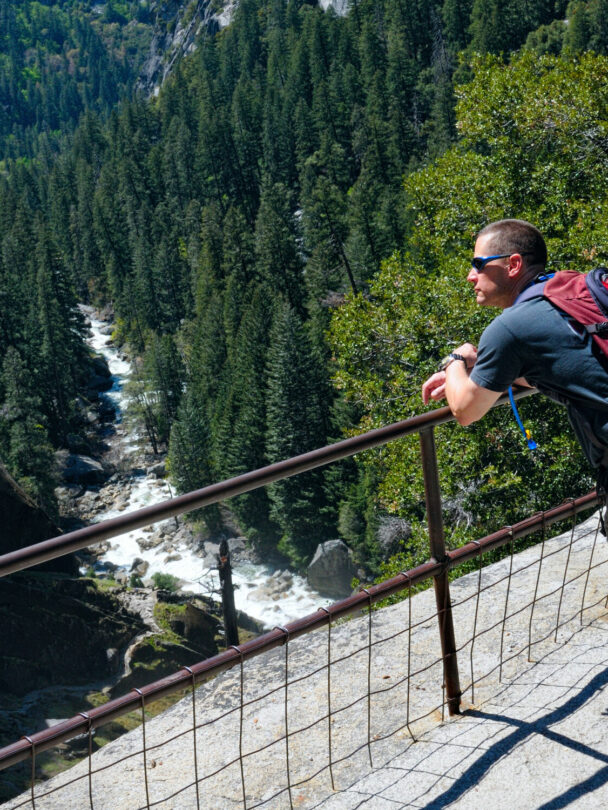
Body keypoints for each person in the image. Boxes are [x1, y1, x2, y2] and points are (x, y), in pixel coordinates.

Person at [421, 218, 608, 489]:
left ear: (513, 264)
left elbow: (465, 410)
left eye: (478, 264)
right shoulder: (572, 287)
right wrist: (482, 368)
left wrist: (456, 360)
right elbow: (567, 367)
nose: (470, 276)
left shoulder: (510, 327)